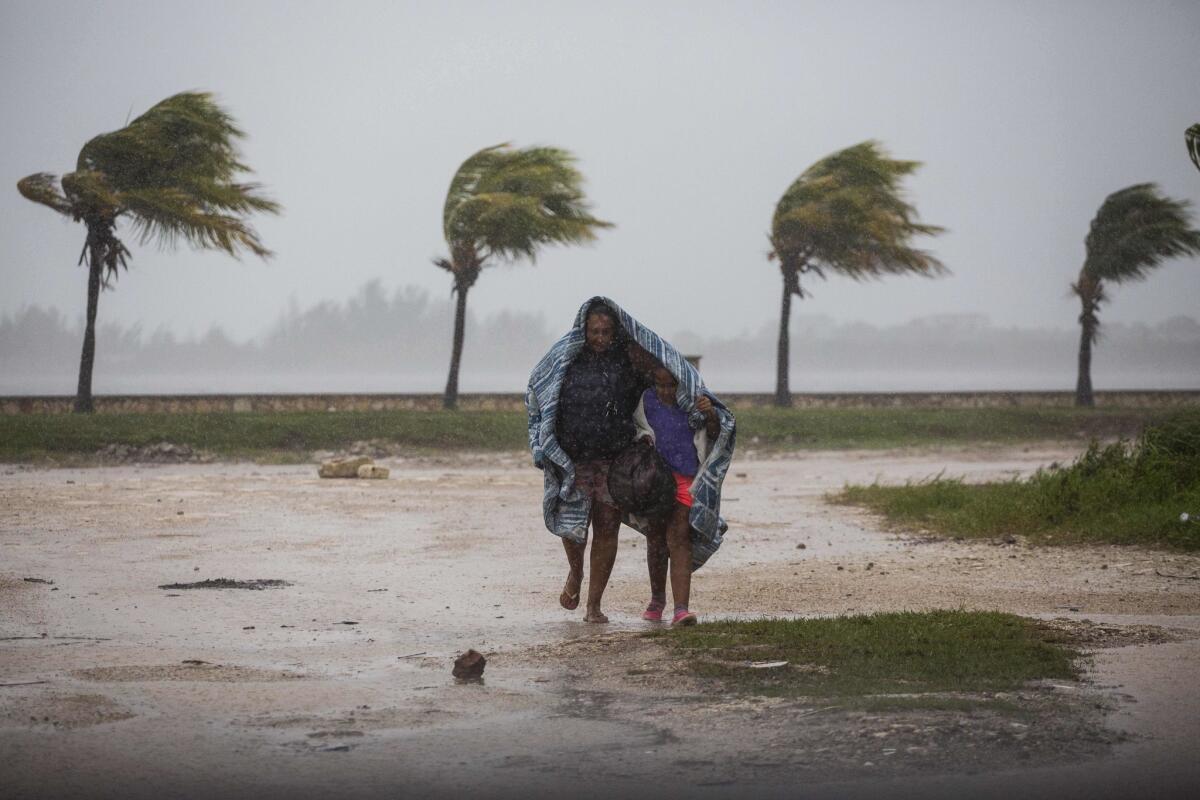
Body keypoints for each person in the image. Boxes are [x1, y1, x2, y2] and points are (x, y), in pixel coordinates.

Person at [553, 301, 646, 623]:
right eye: (595, 331)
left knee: (607, 528)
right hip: (572, 459)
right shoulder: (567, 359)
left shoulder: (626, 362)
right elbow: (542, 391)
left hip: (613, 459)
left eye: (607, 332)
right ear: (584, 330)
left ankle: (594, 605)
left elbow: (657, 386)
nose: (601, 338)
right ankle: (575, 573)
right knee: (573, 528)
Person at [635, 365, 720, 626]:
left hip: (686, 479)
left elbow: (716, 434)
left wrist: (711, 414)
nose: (666, 391)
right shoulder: (645, 401)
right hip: (654, 480)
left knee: (679, 538)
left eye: (671, 386)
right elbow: (636, 429)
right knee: (656, 540)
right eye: (660, 385)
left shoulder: (694, 404)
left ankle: (681, 609)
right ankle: (657, 600)